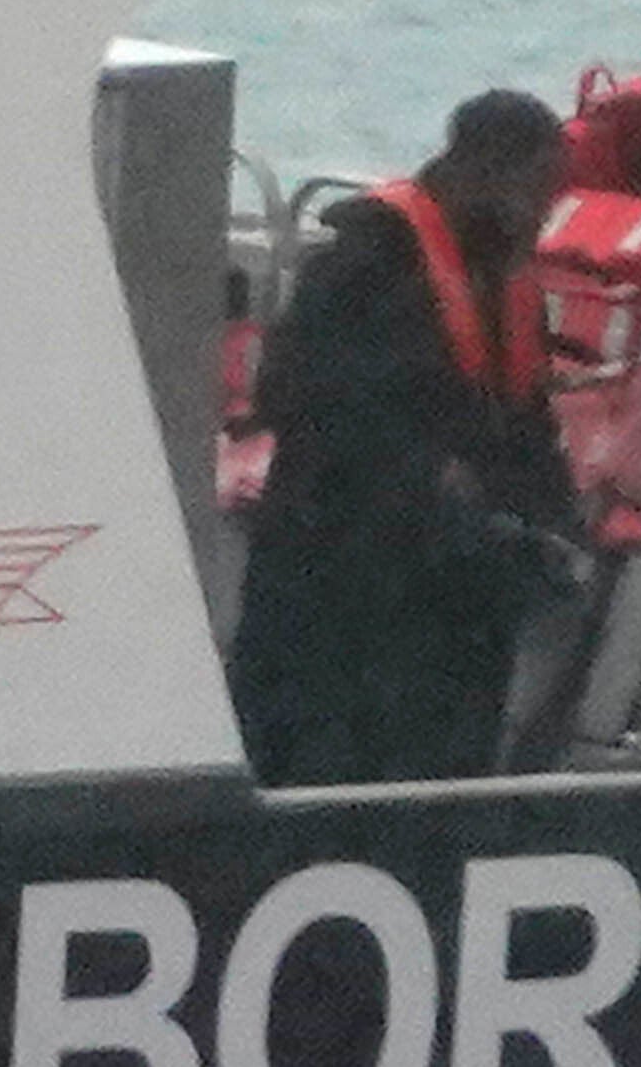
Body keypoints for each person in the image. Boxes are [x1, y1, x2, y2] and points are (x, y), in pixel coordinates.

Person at [227, 91, 580, 786]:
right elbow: (304, 402)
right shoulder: (363, 262)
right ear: (484, 172)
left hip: (457, 595)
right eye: (537, 191)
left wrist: (554, 522)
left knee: (446, 772)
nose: (543, 214)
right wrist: (431, 486)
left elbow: (527, 420)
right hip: (343, 584)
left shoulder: (511, 283)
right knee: (327, 772)